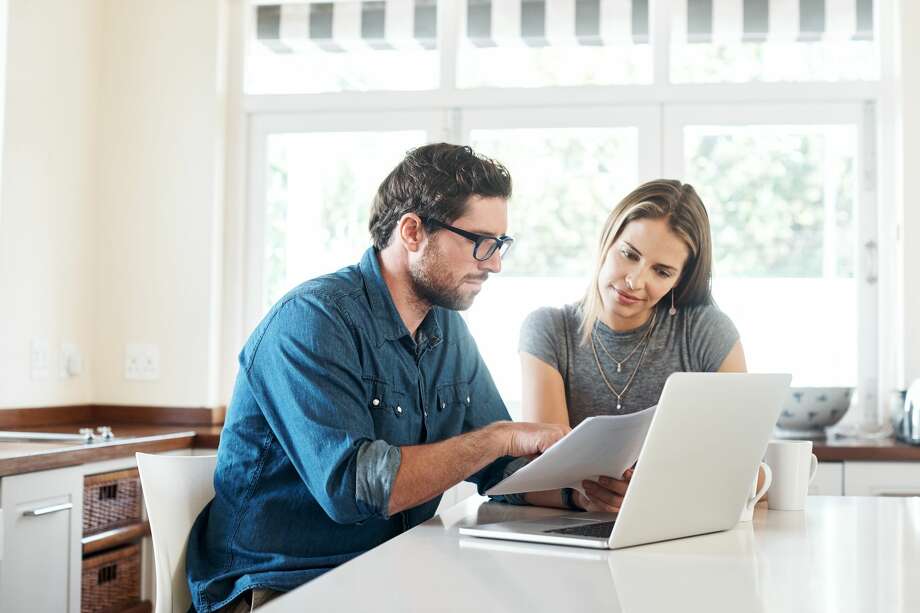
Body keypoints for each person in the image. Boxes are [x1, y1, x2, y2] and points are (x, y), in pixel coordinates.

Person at [185, 144, 571, 612]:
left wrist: (579, 491)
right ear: (412, 231)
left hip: (387, 574)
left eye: (500, 243)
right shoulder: (312, 320)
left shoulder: (447, 330)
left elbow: (500, 467)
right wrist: (498, 438)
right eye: (480, 241)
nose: (494, 264)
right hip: (280, 586)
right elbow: (353, 489)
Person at [518, 179, 747, 514]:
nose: (635, 281)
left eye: (662, 271)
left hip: (677, 525)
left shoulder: (706, 331)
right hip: (577, 529)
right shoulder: (549, 330)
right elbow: (546, 472)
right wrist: (588, 497)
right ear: (607, 239)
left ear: (680, 280)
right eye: (629, 254)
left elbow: (746, 467)